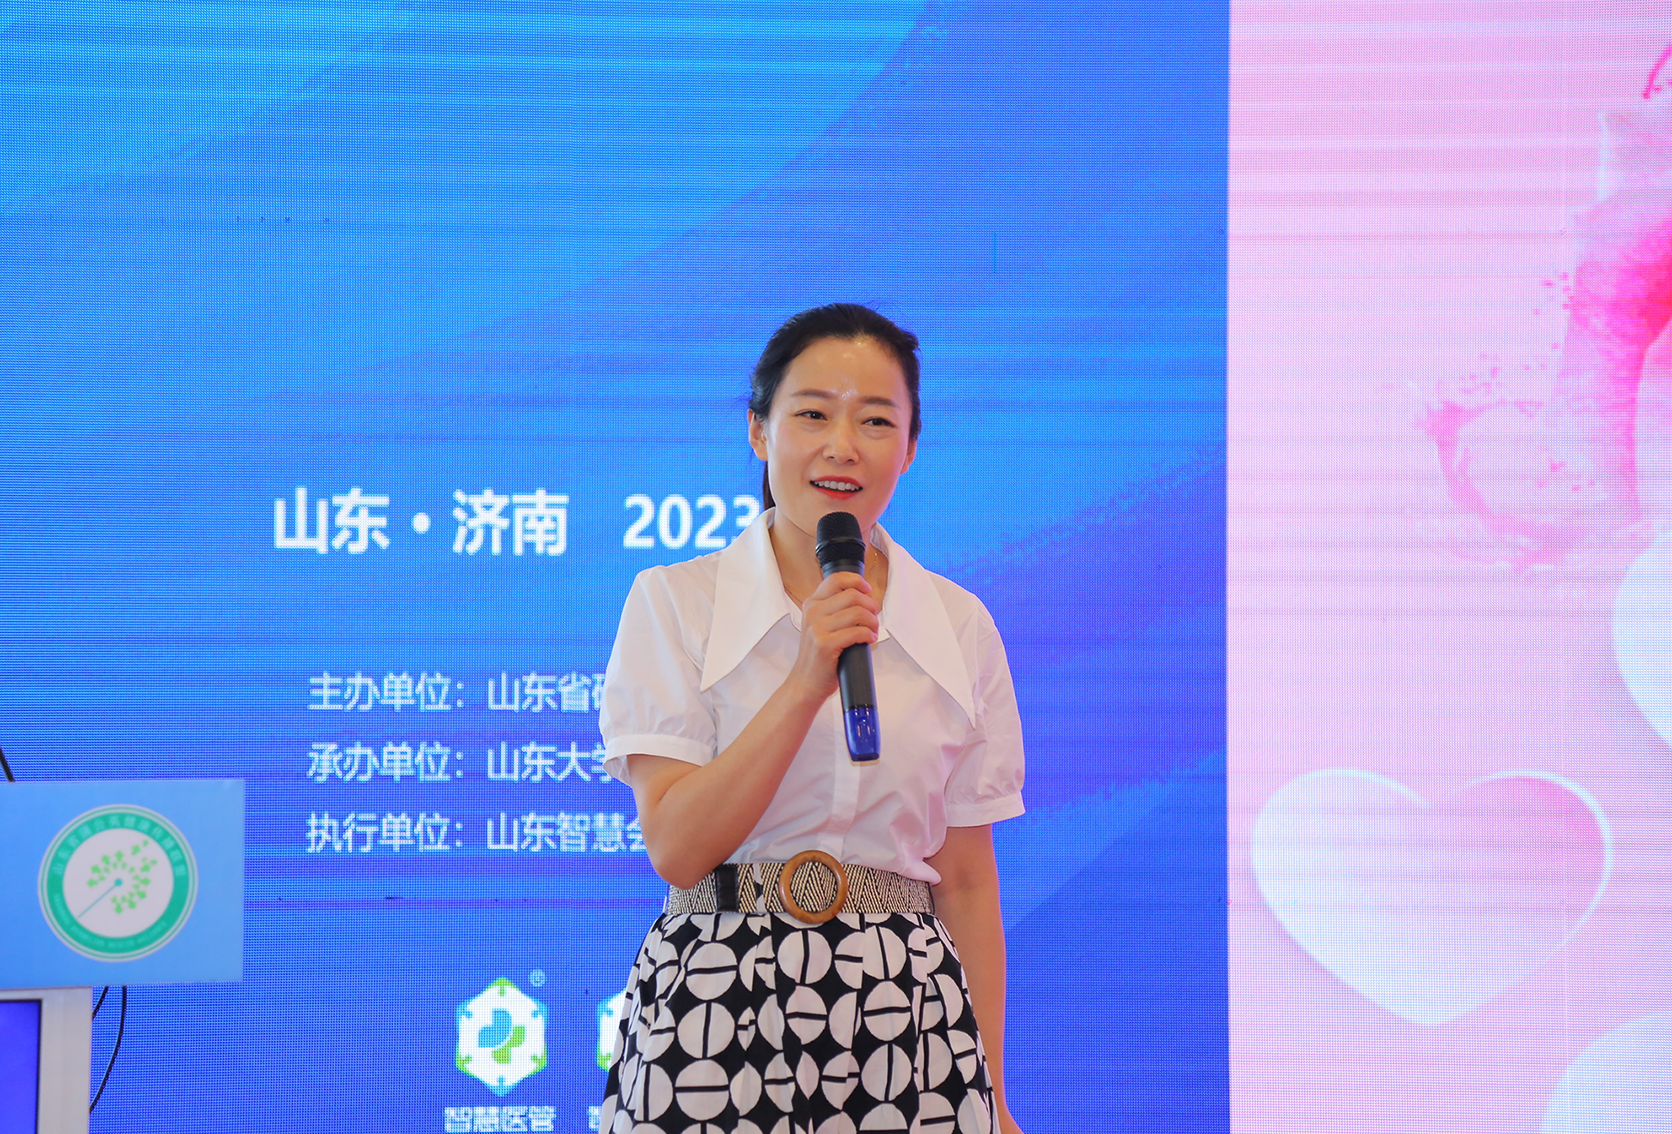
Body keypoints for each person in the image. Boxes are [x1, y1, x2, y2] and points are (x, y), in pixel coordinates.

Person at [597, 303, 1026, 1133]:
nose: (843, 446)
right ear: (760, 431)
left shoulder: (958, 625)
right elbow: (677, 847)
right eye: (813, 415)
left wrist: (994, 1094)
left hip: (909, 1007)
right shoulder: (676, 603)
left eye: (877, 421)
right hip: (716, 994)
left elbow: (968, 881)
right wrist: (804, 680)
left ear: (910, 447)